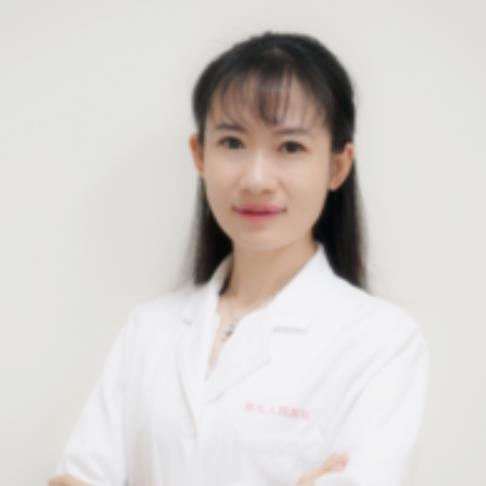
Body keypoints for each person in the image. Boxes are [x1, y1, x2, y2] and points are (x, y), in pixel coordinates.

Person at [48, 31, 430, 486]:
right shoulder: (149, 329)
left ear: (337, 167)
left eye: (290, 147)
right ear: (199, 155)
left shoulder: (380, 342)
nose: (256, 179)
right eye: (232, 143)